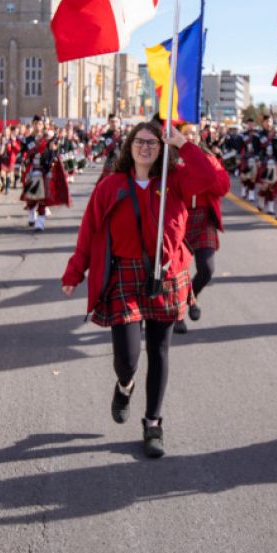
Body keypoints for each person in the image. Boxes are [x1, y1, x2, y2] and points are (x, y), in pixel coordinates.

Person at [61, 121, 219, 458]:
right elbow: (89, 230)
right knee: (127, 358)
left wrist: (184, 145)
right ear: (129, 147)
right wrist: (76, 271)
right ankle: (124, 385)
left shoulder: (175, 181)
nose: (145, 147)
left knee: (160, 351)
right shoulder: (111, 185)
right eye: (139, 141)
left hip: (167, 275)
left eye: (152, 142)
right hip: (125, 277)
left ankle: (153, 423)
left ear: (162, 149)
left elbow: (214, 182)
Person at [174, 123, 231, 335]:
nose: (190, 137)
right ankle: (178, 315)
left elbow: (223, 186)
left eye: (193, 134)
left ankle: (192, 297)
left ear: (199, 137)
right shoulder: (171, 161)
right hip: (180, 218)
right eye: (185, 133)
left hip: (204, 218)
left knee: (207, 269)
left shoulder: (209, 160)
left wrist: (204, 176)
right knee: (179, 272)